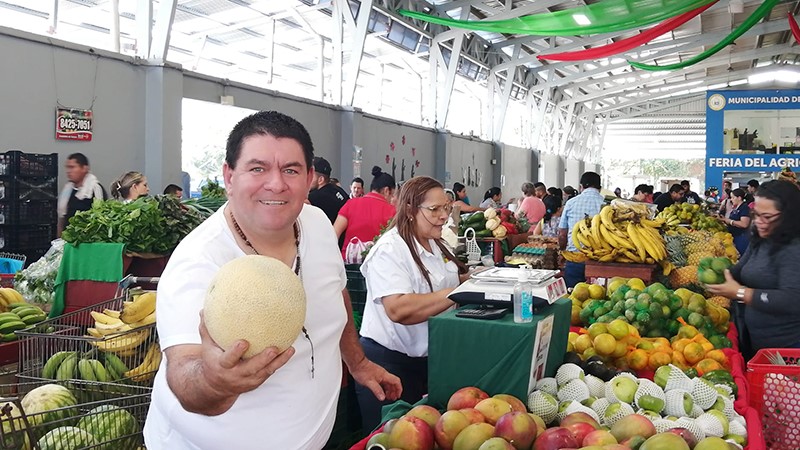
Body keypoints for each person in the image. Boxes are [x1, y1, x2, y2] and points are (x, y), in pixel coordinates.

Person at [144, 111, 401, 450]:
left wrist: (358, 362)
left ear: (310, 177)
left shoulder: (317, 224)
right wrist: (215, 380)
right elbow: (184, 373)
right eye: (257, 168)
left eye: (290, 170)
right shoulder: (199, 262)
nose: (276, 183)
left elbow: (336, 295)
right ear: (229, 176)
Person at [356, 176, 468, 431]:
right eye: (434, 209)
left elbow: (438, 284)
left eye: (446, 208)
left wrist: (474, 280)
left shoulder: (433, 242)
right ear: (409, 209)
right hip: (389, 365)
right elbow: (399, 309)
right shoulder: (390, 250)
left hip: (426, 362)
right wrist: (460, 291)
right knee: (389, 437)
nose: (443, 216)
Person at [707, 180, 800, 360]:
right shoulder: (762, 240)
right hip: (758, 342)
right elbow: (740, 270)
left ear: (789, 215)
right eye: (756, 215)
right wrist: (717, 275)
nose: (759, 222)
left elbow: (793, 299)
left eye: (767, 217)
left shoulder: (794, 247)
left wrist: (741, 293)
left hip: (788, 351)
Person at [334, 167, 397, 259]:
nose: (391, 198)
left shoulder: (350, 204)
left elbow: (334, 233)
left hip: (349, 265)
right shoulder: (392, 211)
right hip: (378, 264)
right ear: (386, 191)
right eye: (392, 194)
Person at [558, 172, 604, 288]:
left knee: (573, 295)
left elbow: (562, 234)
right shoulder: (606, 205)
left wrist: (562, 251)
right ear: (600, 187)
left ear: (581, 186)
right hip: (600, 259)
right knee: (598, 296)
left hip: (575, 257)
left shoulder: (570, 203)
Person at [57, 153, 107, 236]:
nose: (68, 171)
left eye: (72, 167)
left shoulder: (94, 189)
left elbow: (101, 217)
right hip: (69, 237)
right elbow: (62, 217)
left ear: (84, 168)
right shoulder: (68, 189)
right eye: (67, 167)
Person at [308, 156, 349, 224]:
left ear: (321, 180)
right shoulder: (339, 190)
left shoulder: (315, 197)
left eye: (311, 175)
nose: (307, 179)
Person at [725, 188, 751, 256]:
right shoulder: (736, 208)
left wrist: (730, 221)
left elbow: (744, 224)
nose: (731, 199)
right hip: (734, 236)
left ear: (739, 198)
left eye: (733, 197)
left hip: (741, 238)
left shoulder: (744, 208)